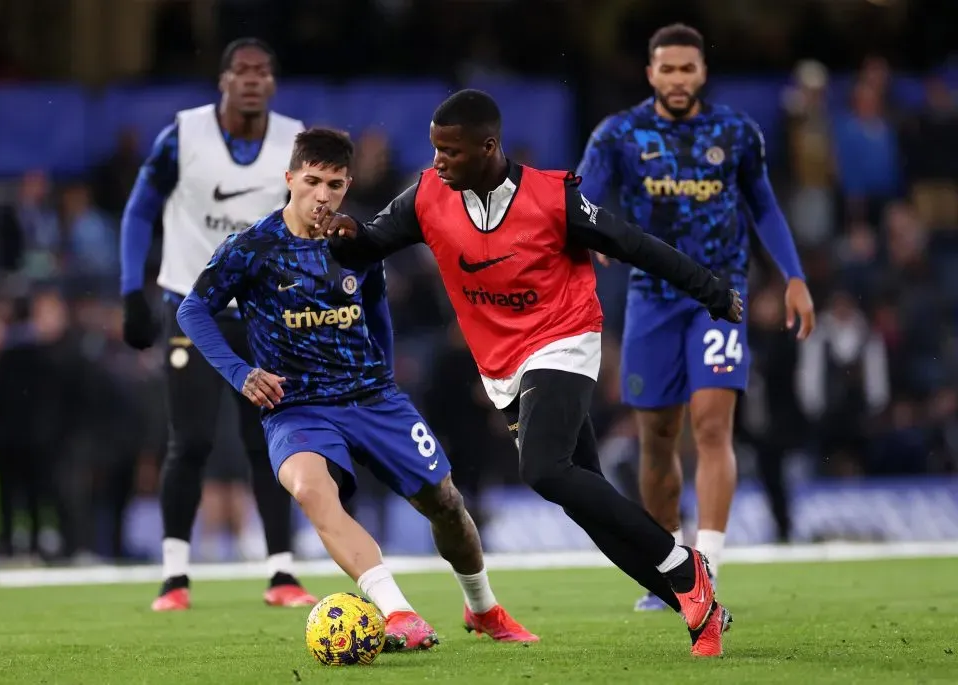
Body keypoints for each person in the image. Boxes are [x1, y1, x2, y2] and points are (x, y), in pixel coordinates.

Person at [316, 89, 742, 658]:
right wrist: (346, 241)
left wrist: (711, 291)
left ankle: (683, 566)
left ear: (488, 147)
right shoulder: (425, 197)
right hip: (503, 364)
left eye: (451, 151)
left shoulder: (551, 198)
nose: (439, 161)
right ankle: (701, 609)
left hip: (564, 338)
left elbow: (633, 244)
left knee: (543, 468)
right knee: (587, 504)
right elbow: (369, 246)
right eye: (435, 149)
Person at [176, 127, 536, 651]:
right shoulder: (251, 249)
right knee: (311, 491)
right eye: (313, 181)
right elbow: (193, 309)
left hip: (372, 398)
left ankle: (483, 608)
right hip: (297, 408)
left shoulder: (355, 242)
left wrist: (385, 377)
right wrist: (241, 372)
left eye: (336, 185)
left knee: (447, 504)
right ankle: (398, 613)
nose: (323, 196)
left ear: (347, 185)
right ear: (290, 179)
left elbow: (376, 311)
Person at [574, 23, 816, 611]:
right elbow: (579, 199)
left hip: (721, 296)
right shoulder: (619, 134)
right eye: (668, 69)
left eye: (688, 69)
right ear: (650, 73)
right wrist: (591, 232)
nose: (678, 79)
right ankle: (674, 569)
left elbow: (764, 205)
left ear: (702, 72)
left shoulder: (735, 133)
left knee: (711, 424)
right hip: (651, 299)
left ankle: (707, 568)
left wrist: (794, 276)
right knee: (656, 439)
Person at [119, 38, 314, 611]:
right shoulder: (183, 135)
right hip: (191, 306)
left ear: (273, 83)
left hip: (262, 312)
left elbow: (308, 221)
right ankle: (174, 576)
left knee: (269, 439)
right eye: (241, 70)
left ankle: (281, 572)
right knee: (193, 440)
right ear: (223, 80)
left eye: (263, 71)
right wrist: (133, 290)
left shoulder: (293, 141)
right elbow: (138, 210)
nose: (252, 80)